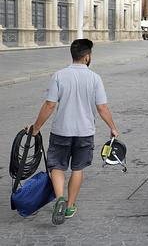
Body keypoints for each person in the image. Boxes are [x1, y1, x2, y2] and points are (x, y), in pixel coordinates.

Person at [30, 39, 120, 225]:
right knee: (77, 168)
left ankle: (60, 198)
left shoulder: (59, 75)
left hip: (61, 131)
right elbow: (102, 107)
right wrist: (112, 127)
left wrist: (36, 127)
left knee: (57, 166)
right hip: (84, 132)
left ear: (73, 55)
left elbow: (49, 105)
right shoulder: (95, 78)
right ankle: (70, 206)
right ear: (87, 56)